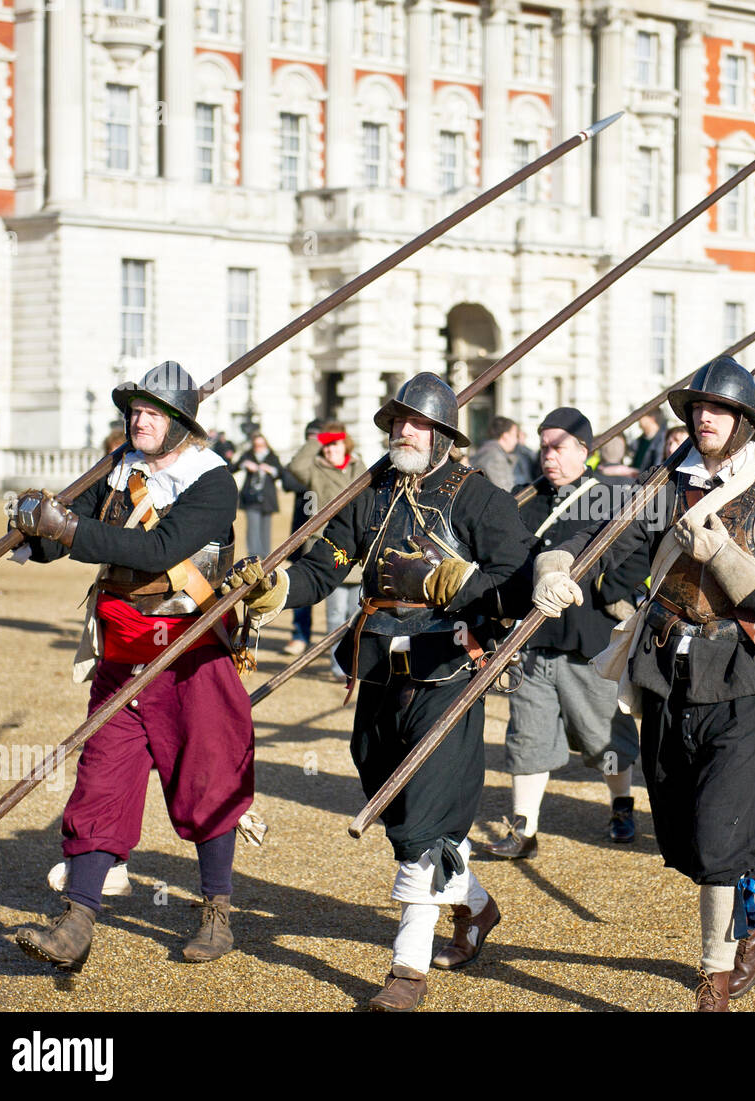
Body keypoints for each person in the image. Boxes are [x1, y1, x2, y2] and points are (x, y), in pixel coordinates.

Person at [223, 373, 533, 1011]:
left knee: (424, 812)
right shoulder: (375, 493)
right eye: (396, 421)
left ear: (444, 433)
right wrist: (277, 590)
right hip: (379, 669)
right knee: (392, 803)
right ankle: (474, 905)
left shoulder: (479, 499)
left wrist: (461, 581)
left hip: (449, 670)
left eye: (415, 423)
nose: (402, 431)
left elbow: (518, 578)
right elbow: (325, 563)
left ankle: (407, 968)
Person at [532, 356, 755, 1011]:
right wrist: (556, 568)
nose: (703, 417)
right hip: (665, 673)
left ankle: (714, 970)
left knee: (722, 835)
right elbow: (590, 535)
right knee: (684, 835)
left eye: (717, 409)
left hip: (741, 677)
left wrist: (725, 553)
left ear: (745, 421)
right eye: (696, 408)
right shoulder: (661, 483)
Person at [9, 361, 254, 972]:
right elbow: (73, 524)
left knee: (208, 778)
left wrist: (68, 529)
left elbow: (158, 551)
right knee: (102, 780)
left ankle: (217, 913)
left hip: (190, 652)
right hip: (121, 655)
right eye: (134, 411)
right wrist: (35, 531)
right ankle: (77, 919)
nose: (138, 421)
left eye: (152, 413)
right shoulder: (120, 468)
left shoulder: (213, 482)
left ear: (179, 423)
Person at [485, 407, 643, 859]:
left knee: (604, 735)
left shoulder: (610, 498)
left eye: (558, 447)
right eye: (544, 447)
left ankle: (621, 805)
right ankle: (523, 829)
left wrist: (597, 585)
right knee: (528, 736)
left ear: (583, 451)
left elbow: (635, 560)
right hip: (531, 643)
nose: (548, 456)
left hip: (588, 638)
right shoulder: (522, 500)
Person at [287, 421, 365, 681]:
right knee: (334, 614)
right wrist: (318, 439)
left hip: (358, 549)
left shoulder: (359, 467)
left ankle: (354, 664)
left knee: (356, 614)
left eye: (334, 443)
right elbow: (295, 467)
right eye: (326, 445)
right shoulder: (315, 469)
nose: (329, 449)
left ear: (345, 444)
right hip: (327, 548)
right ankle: (337, 667)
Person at [281, 419, 322, 656]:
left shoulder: (329, 463)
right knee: (302, 588)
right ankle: (299, 635)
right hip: (300, 533)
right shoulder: (301, 463)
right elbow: (288, 481)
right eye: (311, 437)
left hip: (326, 535)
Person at [234, 433, 284, 561]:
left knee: (266, 530)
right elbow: (233, 467)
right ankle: (253, 557)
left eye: (261, 445)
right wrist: (245, 465)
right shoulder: (248, 455)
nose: (259, 448)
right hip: (251, 498)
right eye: (256, 445)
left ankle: (266, 557)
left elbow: (281, 473)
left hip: (268, 498)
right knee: (253, 529)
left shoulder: (272, 457)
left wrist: (270, 469)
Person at [469, 415, 520, 490]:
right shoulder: (495, 457)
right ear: (505, 436)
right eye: (516, 435)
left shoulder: (490, 452)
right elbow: (504, 493)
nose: (516, 440)